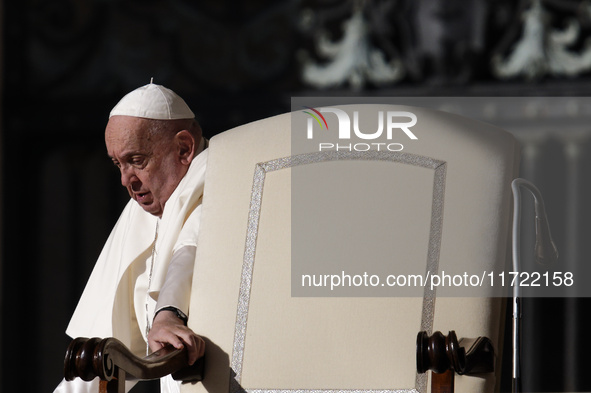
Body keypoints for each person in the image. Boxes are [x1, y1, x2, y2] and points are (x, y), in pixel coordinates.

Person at [54, 82, 207, 393]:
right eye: (117, 164)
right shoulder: (140, 212)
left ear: (184, 149)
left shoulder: (220, 176)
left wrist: (168, 314)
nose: (126, 180)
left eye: (137, 160)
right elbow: (107, 353)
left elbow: (189, 249)